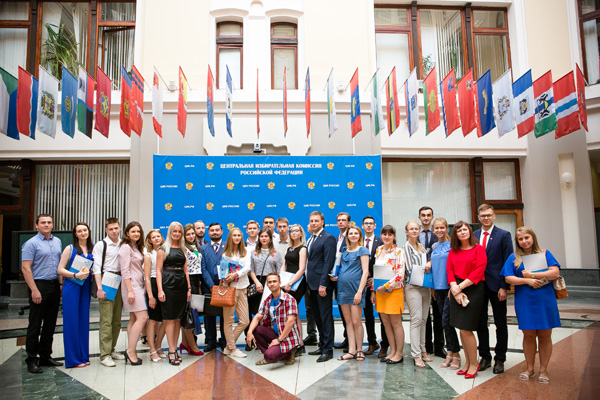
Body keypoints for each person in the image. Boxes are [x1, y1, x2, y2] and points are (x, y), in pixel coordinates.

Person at [500, 226, 561, 384]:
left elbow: (554, 273)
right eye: (520, 239)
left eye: (526, 237)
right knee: (528, 335)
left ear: (533, 238)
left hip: (544, 299)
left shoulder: (545, 254)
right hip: (525, 300)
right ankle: (529, 368)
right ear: (517, 242)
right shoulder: (514, 257)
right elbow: (508, 278)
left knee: (545, 335)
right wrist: (527, 280)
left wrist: (533, 275)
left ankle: (544, 370)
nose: (524, 241)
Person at [21, 214, 63, 373]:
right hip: (38, 285)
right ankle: (32, 360)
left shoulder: (57, 241)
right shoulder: (31, 243)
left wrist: (60, 284)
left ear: (52, 224)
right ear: (36, 225)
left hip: (54, 285)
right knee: (35, 324)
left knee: (50, 324)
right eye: (43, 222)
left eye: (49, 222)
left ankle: (45, 356)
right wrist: (34, 290)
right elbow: (25, 268)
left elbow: (58, 265)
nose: (46, 224)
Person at [474, 204, 513, 374]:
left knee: (500, 323)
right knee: (480, 323)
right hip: (478, 286)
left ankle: (500, 358)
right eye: (483, 215)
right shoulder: (474, 235)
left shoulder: (504, 235)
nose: (486, 218)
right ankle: (485, 356)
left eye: (489, 215)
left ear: (494, 216)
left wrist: (504, 286)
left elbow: (508, 261)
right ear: (478, 217)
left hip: (497, 286)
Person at [447, 221, 487, 379]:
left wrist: (459, 287)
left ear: (470, 231)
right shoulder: (453, 251)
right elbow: (449, 270)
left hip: (473, 288)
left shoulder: (479, 249)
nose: (462, 232)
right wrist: (454, 288)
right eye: (459, 231)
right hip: (456, 288)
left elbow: (479, 270)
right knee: (460, 327)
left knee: (466, 328)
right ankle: (468, 361)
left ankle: (474, 363)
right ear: (455, 234)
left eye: (465, 229)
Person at [57, 222, 93, 368]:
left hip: (85, 286)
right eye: (80, 231)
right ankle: (73, 359)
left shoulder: (93, 248)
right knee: (71, 321)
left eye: (85, 230)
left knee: (83, 321)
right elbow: (60, 269)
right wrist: (75, 275)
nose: (83, 233)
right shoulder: (70, 248)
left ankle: (83, 356)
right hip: (72, 285)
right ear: (75, 234)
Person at [247, 273, 301, 366]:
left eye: (274, 281)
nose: (272, 284)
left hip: (288, 338)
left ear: (280, 283)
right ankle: (271, 354)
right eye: (270, 282)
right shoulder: (268, 300)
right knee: (257, 330)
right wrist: (249, 332)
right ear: (267, 285)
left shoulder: (289, 299)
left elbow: (291, 321)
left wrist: (279, 340)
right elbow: (257, 316)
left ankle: (290, 352)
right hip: (275, 335)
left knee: (269, 356)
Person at [157, 221, 191, 365]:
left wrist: (189, 288)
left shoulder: (183, 249)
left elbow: (186, 270)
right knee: (170, 319)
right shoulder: (162, 249)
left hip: (181, 285)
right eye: (174, 231)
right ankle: (171, 350)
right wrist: (160, 290)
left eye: (179, 232)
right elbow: (158, 271)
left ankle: (175, 348)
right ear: (170, 232)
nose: (177, 234)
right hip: (168, 284)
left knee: (178, 319)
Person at [92, 217, 125, 367]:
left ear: (120, 228)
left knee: (117, 320)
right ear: (106, 230)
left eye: (116, 228)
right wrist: (99, 288)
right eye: (111, 229)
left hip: (121, 280)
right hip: (107, 280)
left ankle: (112, 349)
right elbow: (96, 268)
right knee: (106, 320)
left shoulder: (123, 243)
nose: (114, 231)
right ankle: (104, 355)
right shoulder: (101, 245)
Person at [428, 218, 461, 370]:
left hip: (449, 288)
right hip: (438, 288)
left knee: (448, 321)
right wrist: (433, 289)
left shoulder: (453, 246)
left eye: (442, 227)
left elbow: (456, 267)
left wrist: (453, 286)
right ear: (433, 230)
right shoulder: (434, 246)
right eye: (437, 228)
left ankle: (456, 354)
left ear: (447, 229)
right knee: (443, 321)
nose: (439, 230)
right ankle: (450, 352)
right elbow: (434, 267)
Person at [334, 226, 370, 361]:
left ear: (359, 236)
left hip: (356, 290)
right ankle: (351, 350)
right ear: (347, 236)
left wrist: (360, 292)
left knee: (356, 321)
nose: (353, 235)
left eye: (356, 233)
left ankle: (359, 350)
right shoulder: (343, 251)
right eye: (351, 233)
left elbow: (365, 272)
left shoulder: (362, 250)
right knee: (348, 322)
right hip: (343, 290)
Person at [371, 225, 405, 364]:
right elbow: (376, 273)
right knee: (386, 324)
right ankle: (392, 351)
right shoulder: (378, 250)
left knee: (396, 323)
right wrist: (374, 291)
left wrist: (385, 287)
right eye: (384, 234)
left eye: (390, 234)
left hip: (393, 291)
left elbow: (400, 274)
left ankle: (399, 353)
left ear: (394, 236)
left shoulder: (399, 251)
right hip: (380, 292)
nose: (386, 237)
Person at [306, 211, 337, 362]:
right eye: (311, 221)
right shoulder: (311, 238)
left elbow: (328, 262)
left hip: (321, 285)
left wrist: (323, 284)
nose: (313, 223)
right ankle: (322, 344)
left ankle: (328, 349)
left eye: (316, 221)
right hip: (311, 285)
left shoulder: (328, 238)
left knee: (325, 317)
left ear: (322, 222)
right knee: (317, 317)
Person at [403, 221, 432, 368]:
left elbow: (426, 264)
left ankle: (423, 350)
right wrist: (425, 268)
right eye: (411, 229)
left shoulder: (421, 247)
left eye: (416, 229)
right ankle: (416, 355)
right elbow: (409, 268)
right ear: (406, 232)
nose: (414, 231)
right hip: (412, 286)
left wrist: (429, 264)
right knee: (416, 320)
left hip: (425, 287)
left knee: (424, 319)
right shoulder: (405, 248)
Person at [118, 221, 147, 365]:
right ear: (127, 233)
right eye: (133, 231)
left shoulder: (136, 247)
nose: (136, 234)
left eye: (138, 231)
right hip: (132, 286)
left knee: (133, 319)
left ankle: (131, 349)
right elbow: (124, 270)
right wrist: (130, 291)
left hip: (139, 285)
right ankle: (130, 351)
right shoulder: (125, 247)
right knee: (143, 317)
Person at [418, 206, 445, 359]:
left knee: (439, 313)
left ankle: (439, 346)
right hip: (422, 277)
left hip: (438, 278)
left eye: (428, 215)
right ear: (419, 217)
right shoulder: (415, 234)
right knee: (425, 314)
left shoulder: (439, 234)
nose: (426, 217)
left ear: (432, 217)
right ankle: (427, 345)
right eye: (423, 215)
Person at [221, 227, 251, 358]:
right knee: (228, 320)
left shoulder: (246, 251)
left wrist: (236, 274)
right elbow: (223, 272)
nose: (237, 237)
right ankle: (232, 349)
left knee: (245, 320)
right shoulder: (225, 254)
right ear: (230, 238)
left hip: (243, 287)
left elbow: (248, 267)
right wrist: (226, 277)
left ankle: (228, 346)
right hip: (229, 289)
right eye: (234, 235)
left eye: (239, 235)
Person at [248, 228, 284, 335]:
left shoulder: (276, 253)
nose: (264, 238)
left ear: (270, 238)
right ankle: (254, 336)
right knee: (256, 310)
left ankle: (268, 335)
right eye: (262, 236)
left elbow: (279, 270)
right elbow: (251, 270)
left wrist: (275, 284)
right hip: (257, 282)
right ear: (259, 238)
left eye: (266, 236)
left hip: (271, 283)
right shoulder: (253, 252)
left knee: (269, 311)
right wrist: (257, 282)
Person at [280, 224, 308, 355]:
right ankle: (291, 341)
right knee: (289, 314)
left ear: (301, 233)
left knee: (294, 314)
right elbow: (284, 265)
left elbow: (301, 269)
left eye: (297, 231)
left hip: (297, 283)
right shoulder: (289, 248)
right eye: (292, 231)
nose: (294, 233)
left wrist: (290, 283)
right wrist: (280, 280)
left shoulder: (303, 249)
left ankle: (300, 344)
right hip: (285, 283)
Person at [200, 223, 227, 351]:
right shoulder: (203, 248)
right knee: (209, 316)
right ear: (208, 232)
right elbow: (203, 268)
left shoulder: (227, 246)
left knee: (224, 315)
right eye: (212, 230)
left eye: (217, 230)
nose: (215, 232)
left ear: (221, 231)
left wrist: (224, 282)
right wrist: (211, 285)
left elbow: (230, 264)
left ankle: (224, 340)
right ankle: (210, 341)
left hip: (225, 286)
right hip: (208, 286)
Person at [180, 224, 204, 356]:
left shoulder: (196, 247)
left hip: (196, 280)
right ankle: (192, 345)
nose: (191, 236)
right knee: (188, 314)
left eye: (192, 234)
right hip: (187, 281)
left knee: (193, 313)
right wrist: (189, 286)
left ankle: (185, 343)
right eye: (188, 234)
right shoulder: (183, 248)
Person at [143, 229, 167, 362]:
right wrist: (151, 296)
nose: (157, 238)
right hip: (153, 285)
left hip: (166, 284)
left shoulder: (166, 252)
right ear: (149, 240)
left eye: (158, 236)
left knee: (165, 319)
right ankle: (152, 350)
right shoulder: (148, 255)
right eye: (153, 237)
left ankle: (158, 345)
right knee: (153, 320)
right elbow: (146, 278)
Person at [361, 216, 384, 356]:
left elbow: (383, 263)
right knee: (368, 315)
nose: (368, 226)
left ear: (375, 226)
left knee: (382, 315)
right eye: (366, 224)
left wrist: (374, 279)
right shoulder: (358, 241)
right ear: (362, 226)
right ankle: (372, 342)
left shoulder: (381, 241)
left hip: (378, 283)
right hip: (362, 284)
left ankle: (384, 345)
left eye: (371, 224)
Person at [333, 212, 351, 351]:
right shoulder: (336, 238)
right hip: (336, 279)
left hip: (348, 279)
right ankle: (347, 338)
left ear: (349, 222)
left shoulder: (352, 236)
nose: (341, 222)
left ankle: (352, 341)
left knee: (351, 313)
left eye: (343, 220)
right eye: (339, 220)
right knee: (342, 310)